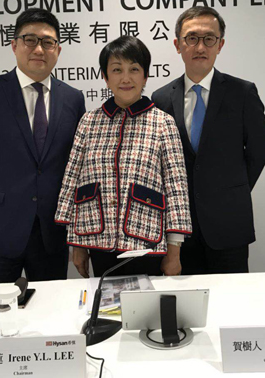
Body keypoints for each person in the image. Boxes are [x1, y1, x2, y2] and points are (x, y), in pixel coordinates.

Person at [0, 8, 86, 284]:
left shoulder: (73, 99)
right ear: (14, 45)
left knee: (51, 307)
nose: (39, 49)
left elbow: (75, 162)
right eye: (30, 40)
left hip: (50, 232)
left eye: (48, 42)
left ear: (58, 50)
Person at [54, 36, 191, 278]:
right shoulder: (89, 122)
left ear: (145, 76)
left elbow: (176, 189)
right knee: (107, 301)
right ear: (105, 77)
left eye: (134, 69)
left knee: (146, 302)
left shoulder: (163, 123)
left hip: (147, 241)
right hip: (97, 240)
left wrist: (174, 251)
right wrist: (76, 245)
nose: (126, 78)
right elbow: (73, 182)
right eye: (117, 70)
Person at [152, 6, 265, 275]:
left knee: (233, 299)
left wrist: (232, 190)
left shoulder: (242, 93)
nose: (200, 47)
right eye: (191, 38)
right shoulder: (161, 98)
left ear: (220, 44)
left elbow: (259, 151)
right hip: (180, 231)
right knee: (184, 300)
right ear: (177, 45)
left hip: (229, 223)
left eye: (209, 39)